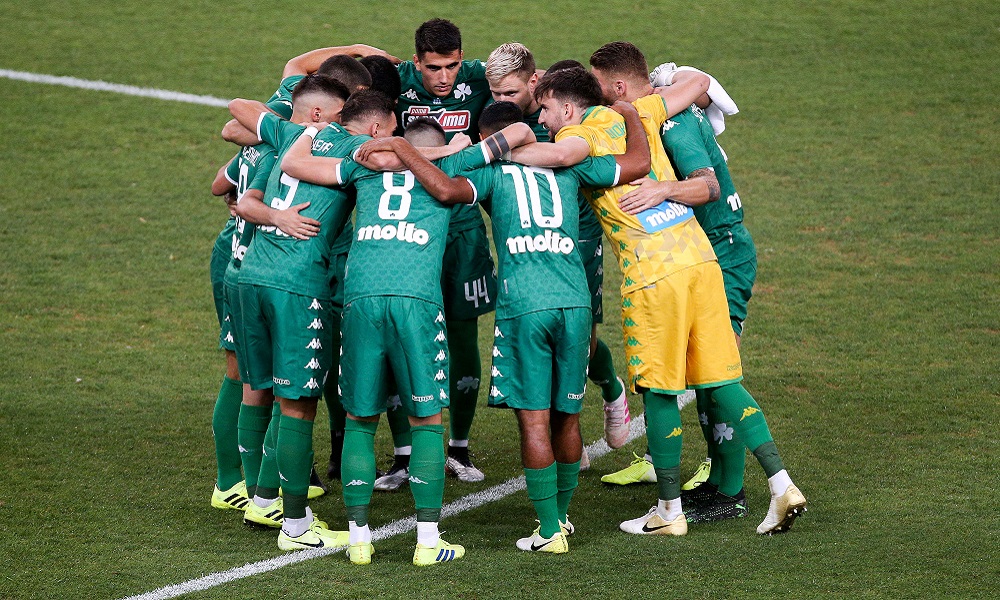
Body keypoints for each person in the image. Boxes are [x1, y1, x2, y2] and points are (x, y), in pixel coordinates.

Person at [514, 58, 806, 536]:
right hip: (700, 262)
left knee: (659, 391)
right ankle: (781, 484)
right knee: (723, 381)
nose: (541, 119)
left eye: (544, 109)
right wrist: (665, 80)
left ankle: (669, 513)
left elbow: (561, 155)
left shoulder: (581, 136)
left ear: (567, 108)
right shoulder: (642, 111)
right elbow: (697, 84)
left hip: (652, 276)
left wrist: (500, 148)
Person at [280, 115, 535, 565]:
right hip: (416, 300)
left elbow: (295, 164)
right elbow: (521, 132)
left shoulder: (363, 165)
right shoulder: (455, 164)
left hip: (361, 297)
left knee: (360, 420)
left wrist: (391, 147)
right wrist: (439, 152)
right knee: (427, 421)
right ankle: (428, 542)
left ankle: (359, 540)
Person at [467, 100, 649, 553]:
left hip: (525, 306)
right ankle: (562, 518)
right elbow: (637, 163)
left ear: (489, 139)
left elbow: (443, 182)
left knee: (534, 421)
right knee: (567, 416)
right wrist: (630, 115)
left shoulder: (490, 173)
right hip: (575, 303)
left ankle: (548, 531)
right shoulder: (571, 166)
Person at [226, 78, 395, 550]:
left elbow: (239, 118)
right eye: (390, 132)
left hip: (250, 276)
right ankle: (297, 527)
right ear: (375, 127)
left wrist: (277, 214)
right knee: (298, 404)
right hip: (297, 285)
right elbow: (401, 163)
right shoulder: (359, 152)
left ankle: (263, 498)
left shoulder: (291, 133)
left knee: (264, 391)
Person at [599, 52, 760, 524]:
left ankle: (731, 491)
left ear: (621, 88)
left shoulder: (673, 126)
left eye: (600, 87)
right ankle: (717, 484)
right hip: (699, 254)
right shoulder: (658, 111)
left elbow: (707, 186)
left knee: (717, 377)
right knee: (707, 375)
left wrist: (663, 190)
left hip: (721, 253)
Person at [485, 43, 633, 450]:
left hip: (578, 230)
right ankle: (559, 435)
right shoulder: (502, 109)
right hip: (528, 235)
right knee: (539, 329)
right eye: (495, 93)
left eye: (511, 93)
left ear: (534, 82)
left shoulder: (565, 109)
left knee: (580, 336)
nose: (502, 101)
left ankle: (610, 388)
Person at [378, 18, 497, 488]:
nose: (444, 77)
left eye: (451, 66)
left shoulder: (481, 77)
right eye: (433, 68)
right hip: (406, 226)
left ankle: (459, 448)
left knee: (463, 336)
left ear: (462, 58)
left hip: (462, 230)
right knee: (401, 335)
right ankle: (404, 454)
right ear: (416, 62)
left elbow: (537, 82)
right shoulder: (395, 80)